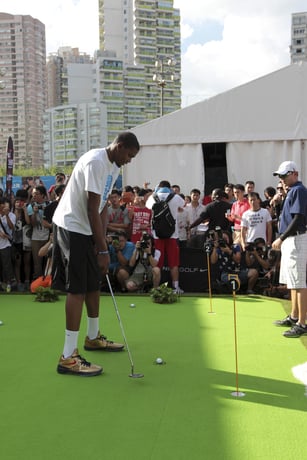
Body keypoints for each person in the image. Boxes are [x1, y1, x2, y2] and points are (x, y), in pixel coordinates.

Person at [52, 131, 140, 376]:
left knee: (93, 283)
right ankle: (68, 357)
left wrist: (100, 240)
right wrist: (102, 249)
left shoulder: (113, 166)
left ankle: (92, 338)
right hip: (72, 226)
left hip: (87, 228)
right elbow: (91, 207)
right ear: (120, 146)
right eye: (129, 155)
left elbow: (100, 208)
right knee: (77, 288)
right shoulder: (95, 162)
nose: (130, 160)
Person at [272, 161, 307, 337]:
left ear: (295, 173)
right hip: (290, 240)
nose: (283, 179)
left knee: (299, 283)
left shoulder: (299, 190)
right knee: (293, 282)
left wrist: (281, 238)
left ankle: (302, 322)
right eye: (281, 176)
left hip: (296, 239)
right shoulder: (292, 191)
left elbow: (298, 218)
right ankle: (294, 317)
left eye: (285, 175)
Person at [146, 180, 185, 294]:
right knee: (174, 263)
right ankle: (176, 288)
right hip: (172, 235)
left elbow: (149, 208)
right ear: (170, 188)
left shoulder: (152, 197)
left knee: (157, 264)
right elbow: (183, 205)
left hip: (157, 236)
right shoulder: (176, 197)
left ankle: (156, 288)